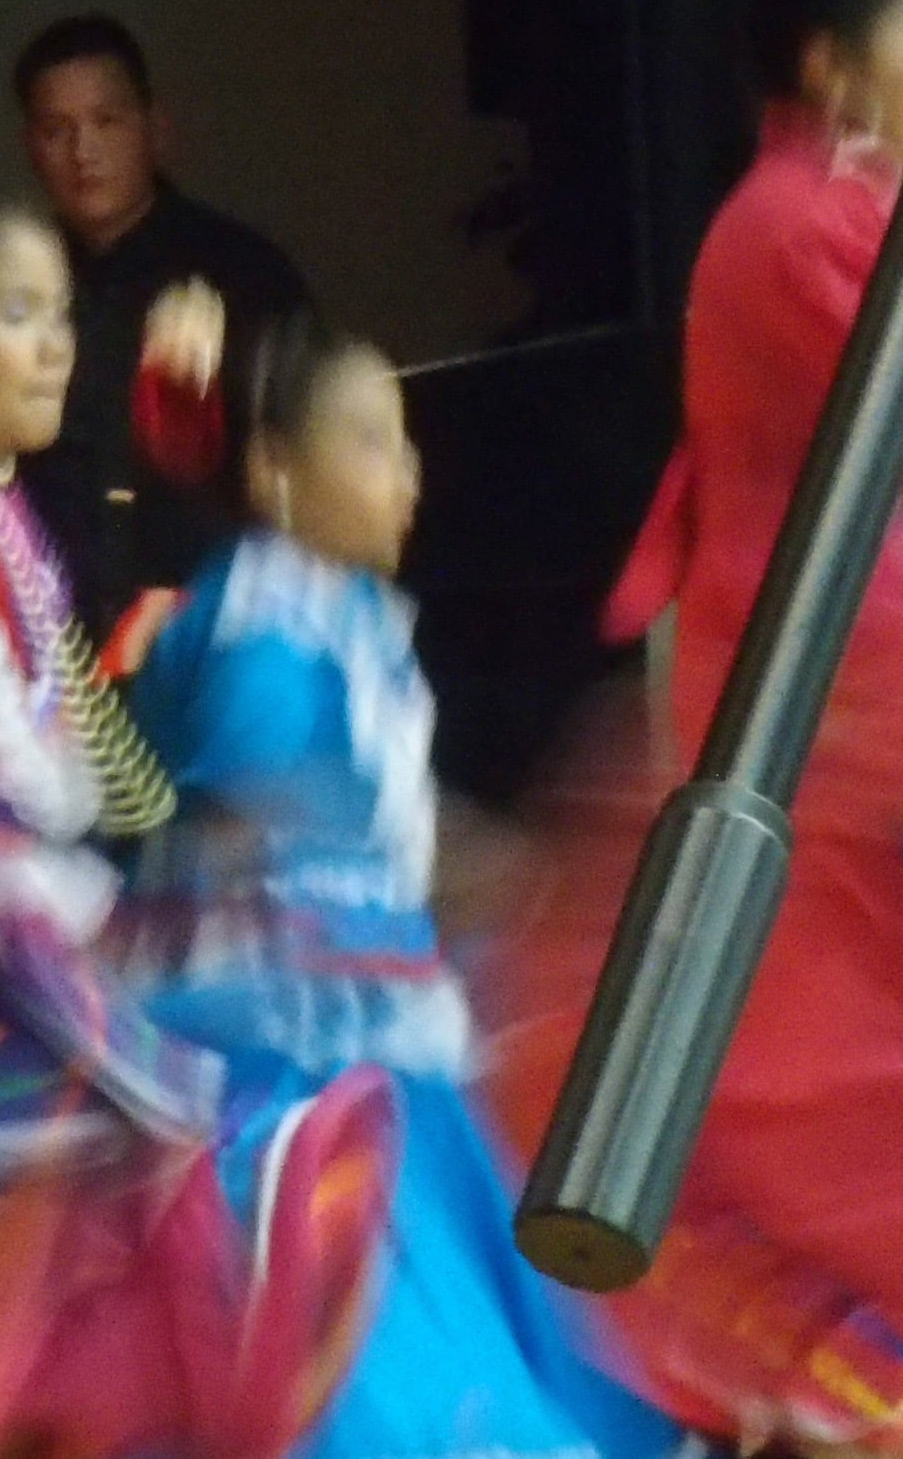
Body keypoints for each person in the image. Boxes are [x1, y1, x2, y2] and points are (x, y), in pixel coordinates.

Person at [0, 182, 396, 1459]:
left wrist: (179, 836)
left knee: (96, 1169)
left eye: (59, 312)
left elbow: (75, 736)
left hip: (9, 887)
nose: (54, 342)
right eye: (14, 313)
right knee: (64, 1161)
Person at [483, 0, 903, 1450]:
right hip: (827, 707)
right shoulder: (802, 221)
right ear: (837, 62)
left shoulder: (839, 213)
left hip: (862, 680)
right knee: (828, 1117)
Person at [122, 316, 669, 1459]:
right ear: (275, 471)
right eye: (370, 440)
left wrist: (507, 872)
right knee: (370, 1312)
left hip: (380, 1007)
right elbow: (253, 836)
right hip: (294, 1048)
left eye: (405, 441)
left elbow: (378, 821)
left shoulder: (347, 615)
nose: (406, 472)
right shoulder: (257, 625)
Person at [14, 17, 309, 632]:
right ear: (29, 148)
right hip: (53, 635)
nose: (82, 152)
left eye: (106, 122)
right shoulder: (13, 284)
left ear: (156, 129)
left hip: (210, 624)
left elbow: (300, 458)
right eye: (55, 130)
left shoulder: (243, 271)